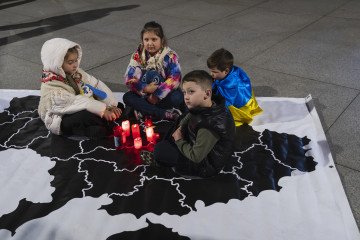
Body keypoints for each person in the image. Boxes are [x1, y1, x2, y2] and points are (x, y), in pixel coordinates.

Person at [153, 70, 235, 178]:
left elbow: (196, 157)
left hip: (204, 166)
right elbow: (191, 114)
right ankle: (171, 144)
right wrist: (182, 125)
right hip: (199, 143)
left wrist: (179, 140)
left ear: (207, 93)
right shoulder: (210, 104)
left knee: (160, 150)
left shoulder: (209, 127)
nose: (186, 97)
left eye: (191, 92)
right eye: (184, 92)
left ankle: (162, 159)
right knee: (180, 119)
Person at [38, 38, 123, 138]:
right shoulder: (50, 84)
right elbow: (73, 102)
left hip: (80, 104)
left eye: (76, 60)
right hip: (59, 116)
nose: (75, 65)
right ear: (57, 63)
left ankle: (101, 125)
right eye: (70, 62)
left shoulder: (76, 72)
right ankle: (91, 129)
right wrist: (103, 110)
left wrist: (111, 105)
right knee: (85, 116)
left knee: (119, 106)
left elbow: (95, 84)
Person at [123, 21, 183, 121]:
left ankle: (145, 111)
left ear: (162, 40)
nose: (150, 43)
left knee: (177, 97)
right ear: (142, 40)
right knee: (127, 97)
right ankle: (163, 113)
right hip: (144, 93)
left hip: (164, 94)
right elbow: (129, 78)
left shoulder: (170, 56)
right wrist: (145, 88)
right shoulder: (137, 55)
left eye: (154, 39)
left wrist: (156, 94)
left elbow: (175, 79)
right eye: (146, 40)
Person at [207, 48, 262, 126]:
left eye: (214, 72)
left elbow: (227, 102)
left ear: (226, 71)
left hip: (239, 107)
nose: (211, 74)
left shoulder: (233, 85)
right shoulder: (227, 70)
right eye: (211, 71)